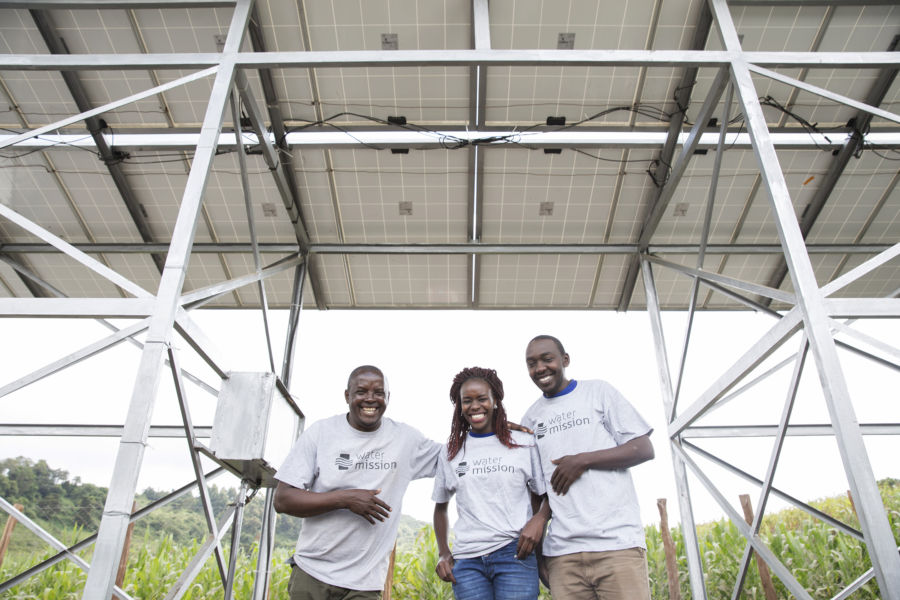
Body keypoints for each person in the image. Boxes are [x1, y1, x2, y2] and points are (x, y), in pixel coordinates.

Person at [273, 365, 441, 600]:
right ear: (347, 396)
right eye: (361, 391)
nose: (370, 399)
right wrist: (345, 499)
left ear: (388, 398)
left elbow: (457, 457)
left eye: (379, 392)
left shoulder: (406, 439)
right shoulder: (321, 432)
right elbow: (282, 499)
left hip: (365, 583)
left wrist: (499, 429)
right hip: (313, 574)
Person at [521, 335, 655, 599]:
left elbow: (643, 448)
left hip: (617, 546)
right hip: (563, 555)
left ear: (565, 360)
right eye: (531, 363)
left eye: (547, 359)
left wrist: (583, 460)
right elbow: (538, 491)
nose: (539, 368)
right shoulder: (531, 418)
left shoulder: (598, 392)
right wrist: (540, 558)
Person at [432, 366, 549, 600]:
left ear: (495, 400)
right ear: (459, 406)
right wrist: (444, 552)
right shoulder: (451, 452)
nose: (474, 406)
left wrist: (539, 522)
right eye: (467, 401)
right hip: (467, 561)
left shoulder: (524, 443)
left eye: (482, 398)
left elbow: (544, 494)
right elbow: (440, 506)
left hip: (514, 554)